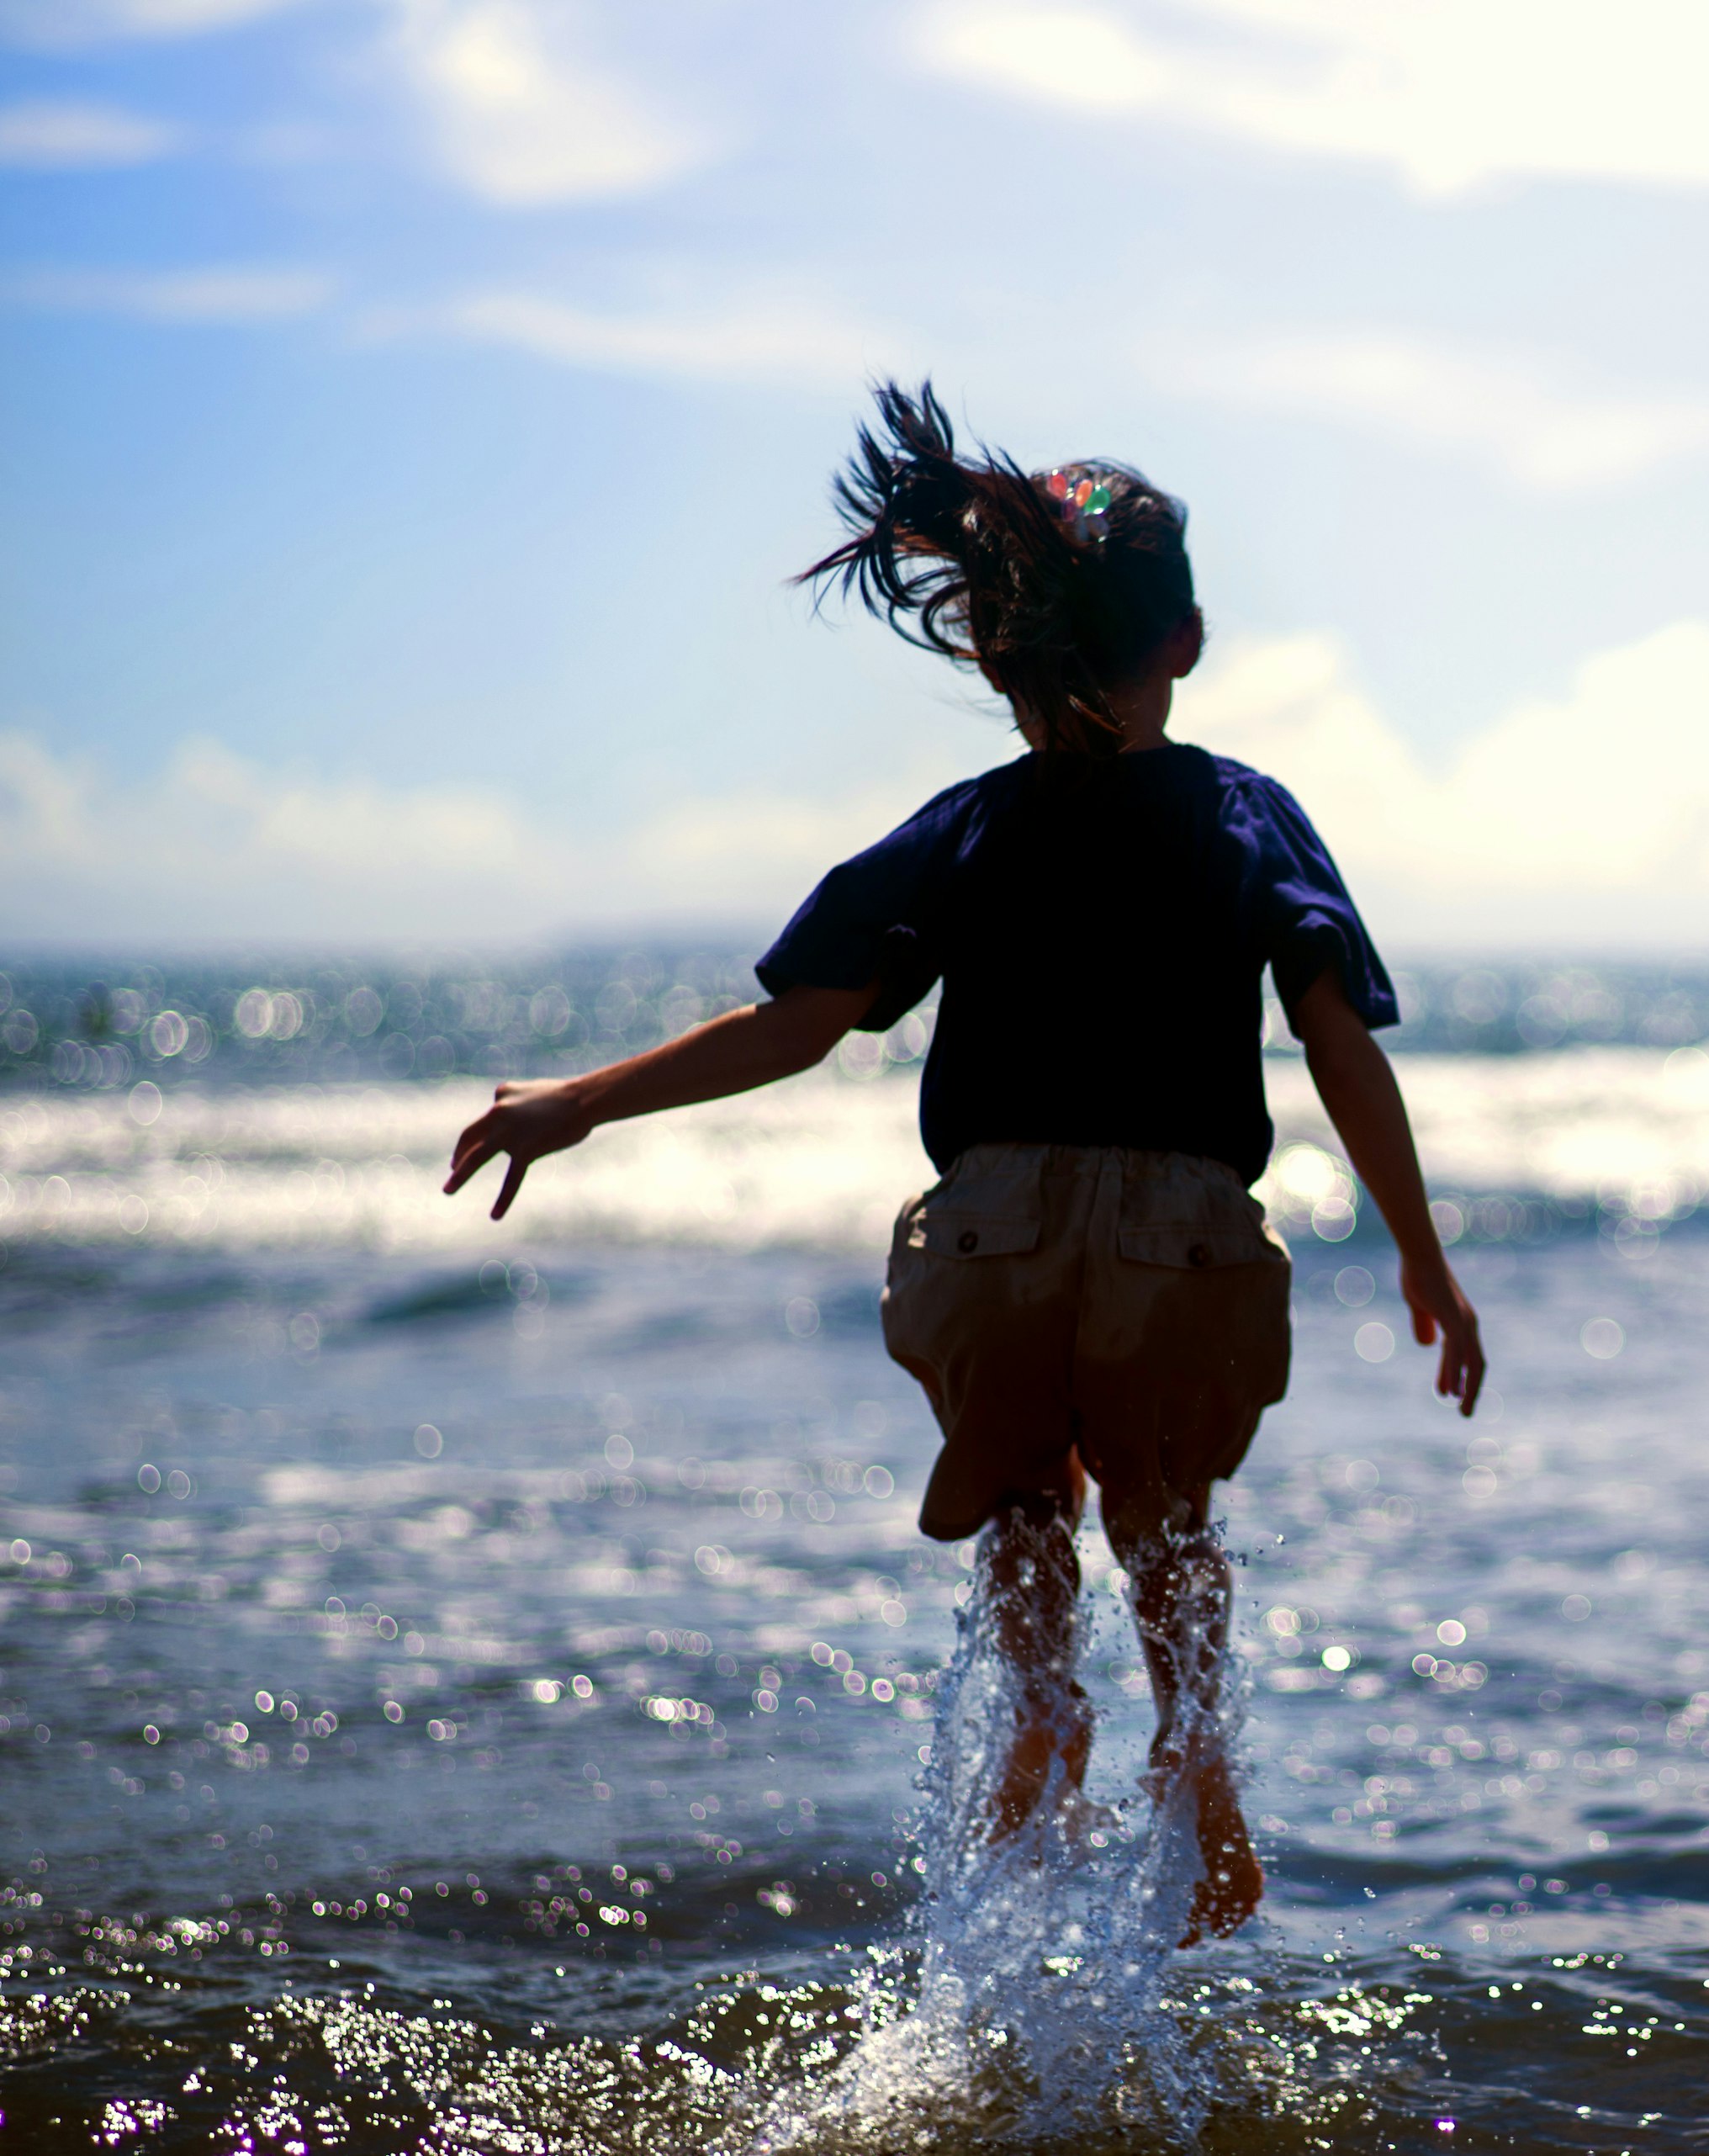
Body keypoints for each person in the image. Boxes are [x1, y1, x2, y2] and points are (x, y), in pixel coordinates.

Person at [443, 383, 1484, 1946]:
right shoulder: (1245, 814)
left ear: (996, 659)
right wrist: (1421, 1249)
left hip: (991, 1237)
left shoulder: (972, 828)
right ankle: (1193, 1769)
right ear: (1184, 644)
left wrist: (577, 1103)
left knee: (1018, 1497)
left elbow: (798, 1027)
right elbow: (1342, 1045)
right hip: (1179, 1240)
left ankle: (1047, 1712)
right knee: (1166, 1516)